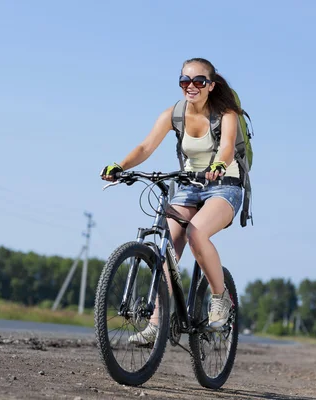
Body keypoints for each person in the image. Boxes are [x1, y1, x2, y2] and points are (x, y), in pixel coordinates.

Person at [101, 57, 243, 344]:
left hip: (224, 184)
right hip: (189, 185)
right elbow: (145, 146)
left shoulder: (226, 114)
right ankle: (156, 324)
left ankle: (220, 298)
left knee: (196, 233)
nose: (191, 86)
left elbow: (227, 147)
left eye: (198, 81)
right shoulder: (173, 114)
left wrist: (217, 165)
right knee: (166, 244)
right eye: (185, 81)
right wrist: (120, 166)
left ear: (210, 85)